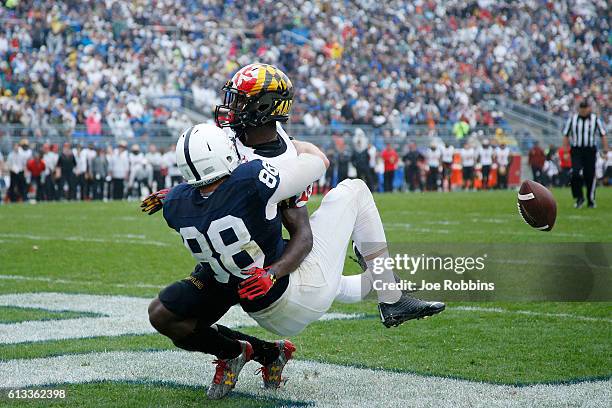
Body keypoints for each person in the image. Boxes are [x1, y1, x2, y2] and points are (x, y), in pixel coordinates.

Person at [149, 124, 444, 400]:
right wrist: (290, 144)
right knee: (355, 190)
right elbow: (317, 162)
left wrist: (170, 195)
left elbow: (191, 193)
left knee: (332, 283)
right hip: (284, 290)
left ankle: (256, 350)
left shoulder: (175, 205)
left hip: (243, 287)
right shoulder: (251, 180)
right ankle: (391, 296)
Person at [562, 100, 608, 208]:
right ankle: (579, 198)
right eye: (581, 109)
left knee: (589, 175)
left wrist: (605, 150)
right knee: (575, 173)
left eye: (585, 108)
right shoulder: (572, 119)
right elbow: (566, 135)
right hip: (576, 150)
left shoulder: (595, 119)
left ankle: (591, 199)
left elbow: (603, 134)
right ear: (579, 109)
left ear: (589, 108)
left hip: (590, 150)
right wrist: (565, 151)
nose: (583, 111)